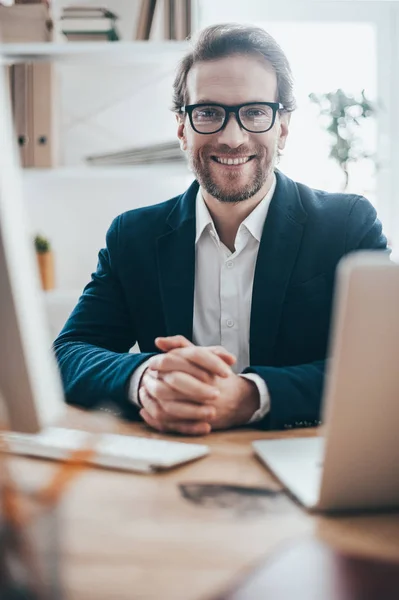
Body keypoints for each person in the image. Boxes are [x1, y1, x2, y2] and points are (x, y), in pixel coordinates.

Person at [53, 23, 387, 435]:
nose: (233, 137)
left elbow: (383, 365)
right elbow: (67, 353)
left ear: (282, 128)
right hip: (171, 466)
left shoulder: (347, 225)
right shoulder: (132, 237)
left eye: (254, 112)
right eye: (209, 112)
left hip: (304, 466)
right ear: (182, 128)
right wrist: (147, 378)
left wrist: (250, 395)